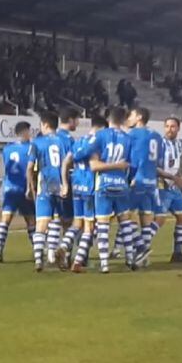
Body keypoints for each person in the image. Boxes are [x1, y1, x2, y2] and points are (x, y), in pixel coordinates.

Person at [87, 106, 134, 274]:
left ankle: (105, 263)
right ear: (122, 120)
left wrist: (111, 165)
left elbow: (94, 166)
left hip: (104, 185)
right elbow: (130, 164)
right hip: (121, 185)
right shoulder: (128, 139)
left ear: (108, 119)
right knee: (126, 223)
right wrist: (120, 167)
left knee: (103, 225)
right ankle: (130, 258)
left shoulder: (100, 136)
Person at [27, 112, 71, 272]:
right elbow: (69, 164)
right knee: (63, 223)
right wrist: (66, 184)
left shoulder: (37, 142)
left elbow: (30, 168)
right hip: (61, 186)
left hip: (45, 185)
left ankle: (39, 259)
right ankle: (62, 255)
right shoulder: (65, 141)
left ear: (45, 125)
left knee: (42, 224)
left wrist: (30, 188)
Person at [126, 107, 165, 266]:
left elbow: (132, 160)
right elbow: (159, 160)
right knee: (146, 219)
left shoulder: (133, 135)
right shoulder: (156, 136)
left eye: (132, 115)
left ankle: (141, 248)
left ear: (139, 117)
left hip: (139, 180)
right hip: (152, 183)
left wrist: (131, 177)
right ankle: (145, 257)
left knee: (124, 215)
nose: (129, 118)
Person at [69, 115, 108, 273]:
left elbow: (69, 160)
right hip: (91, 186)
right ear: (102, 129)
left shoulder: (79, 140)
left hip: (77, 185)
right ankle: (77, 260)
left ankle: (65, 247)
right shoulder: (97, 142)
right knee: (90, 227)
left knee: (78, 223)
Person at [0, 121, 36, 263]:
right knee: (31, 220)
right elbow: (31, 169)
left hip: (9, 188)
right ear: (25, 132)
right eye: (29, 132)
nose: (30, 135)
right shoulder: (30, 148)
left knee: (5, 220)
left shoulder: (7, 149)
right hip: (24, 188)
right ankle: (37, 250)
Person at [155, 117, 182, 263]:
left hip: (174, 187)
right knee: (159, 220)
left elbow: (176, 166)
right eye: (167, 126)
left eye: (173, 127)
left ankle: (177, 253)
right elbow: (154, 167)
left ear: (178, 128)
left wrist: (180, 178)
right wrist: (172, 177)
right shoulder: (160, 144)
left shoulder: (179, 145)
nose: (169, 129)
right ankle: (140, 247)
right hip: (162, 186)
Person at [52, 106, 80, 263]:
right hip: (66, 183)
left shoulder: (49, 137)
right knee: (71, 221)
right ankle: (67, 254)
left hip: (49, 183)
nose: (77, 123)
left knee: (55, 219)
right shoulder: (69, 140)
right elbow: (69, 163)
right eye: (76, 120)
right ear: (70, 120)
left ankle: (51, 253)